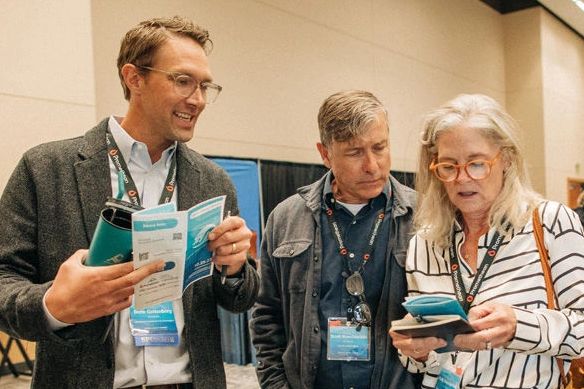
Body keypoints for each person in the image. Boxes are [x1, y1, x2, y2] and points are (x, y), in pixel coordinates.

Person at [0, 16, 259, 388]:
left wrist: (234, 269)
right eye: (183, 81)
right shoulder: (45, 169)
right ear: (134, 78)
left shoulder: (212, 181)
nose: (198, 100)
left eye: (205, 86)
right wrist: (54, 306)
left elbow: (239, 299)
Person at [389, 93, 584, 388]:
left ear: (506, 158)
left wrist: (518, 327)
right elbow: (421, 362)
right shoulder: (424, 243)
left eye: (477, 163)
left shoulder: (550, 223)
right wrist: (414, 352)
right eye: (448, 166)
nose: (462, 178)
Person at [251, 90, 421, 389]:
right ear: (325, 153)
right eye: (355, 152)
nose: (372, 165)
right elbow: (267, 315)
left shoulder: (422, 217)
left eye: (379, 147)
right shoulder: (286, 218)